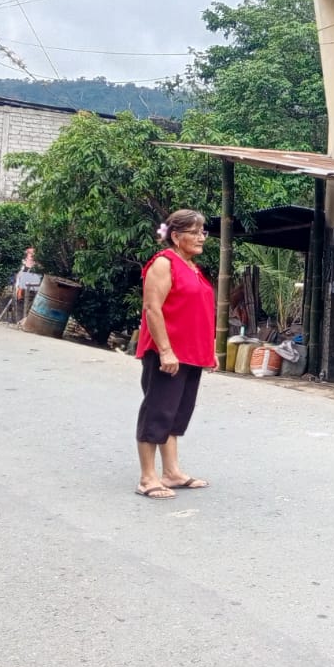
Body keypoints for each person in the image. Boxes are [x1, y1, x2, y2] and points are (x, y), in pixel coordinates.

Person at [134, 209, 216, 500]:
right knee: (158, 411)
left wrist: (209, 351)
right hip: (167, 352)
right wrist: (166, 351)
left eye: (203, 232)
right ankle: (148, 477)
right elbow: (152, 308)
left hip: (191, 353)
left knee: (178, 412)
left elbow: (197, 311)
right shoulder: (164, 263)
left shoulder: (191, 267)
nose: (201, 237)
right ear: (177, 236)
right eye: (195, 232)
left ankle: (171, 472)